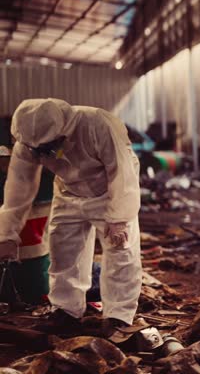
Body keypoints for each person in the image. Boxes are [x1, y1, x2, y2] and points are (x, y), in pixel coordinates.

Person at [0, 98, 142, 338]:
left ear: (63, 131)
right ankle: (66, 311)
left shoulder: (98, 123)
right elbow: (19, 186)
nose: (45, 153)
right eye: (39, 150)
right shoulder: (29, 142)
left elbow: (123, 171)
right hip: (68, 192)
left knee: (121, 253)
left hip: (109, 191)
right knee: (63, 253)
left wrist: (119, 217)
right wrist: (7, 234)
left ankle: (118, 316)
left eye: (50, 146)